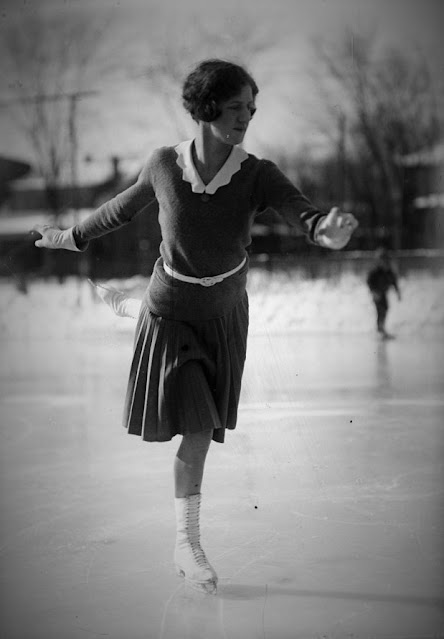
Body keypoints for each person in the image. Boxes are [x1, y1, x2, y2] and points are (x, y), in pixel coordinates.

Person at [34, 59, 358, 595]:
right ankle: (187, 545)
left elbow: (304, 215)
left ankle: (127, 308)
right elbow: (121, 208)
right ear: (208, 108)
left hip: (225, 316)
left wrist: (328, 230)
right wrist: (71, 236)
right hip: (172, 311)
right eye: (236, 108)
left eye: (252, 110)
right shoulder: (164, 164)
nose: (246, 118)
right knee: (198, 426)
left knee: (201, 420)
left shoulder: (258, 173)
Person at [366, 247, 401, 339]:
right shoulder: (375, 271)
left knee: (385, 308)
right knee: (380, 310)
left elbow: (394, 282)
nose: (383, 262)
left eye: (385, 260)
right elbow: (369, 281)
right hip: (377, 293)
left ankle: (381, 328)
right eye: (381, 260)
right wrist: (373, 292)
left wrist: (398, 293)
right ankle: (379, 329)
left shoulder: (389, 271)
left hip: (383, 293)